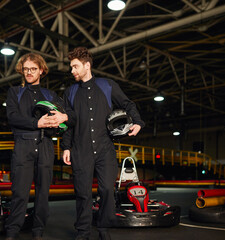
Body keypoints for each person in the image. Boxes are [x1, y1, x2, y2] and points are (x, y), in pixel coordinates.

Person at [61, 47, 145, 240]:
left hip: (105, 149)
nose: (72, 70)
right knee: (82, 193)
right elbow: (67, 123)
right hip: (80, 150)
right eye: (71, 67)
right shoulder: (70, 92)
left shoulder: (107, 86)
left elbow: (128, 104)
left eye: (75, 66)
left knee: (107, 189)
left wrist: (138, 122)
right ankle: (82, 232)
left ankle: (103, 229)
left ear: (87, 65)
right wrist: (66, 147)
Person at [5, 52, 68, 240]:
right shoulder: (14, 92)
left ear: (41, 70)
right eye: (26, 69)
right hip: (23, 145)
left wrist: (57, 124)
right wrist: (36, 123)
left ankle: (38, 231)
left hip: (45, 145)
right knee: (19, 193)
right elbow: (12, 117)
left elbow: (63, 120)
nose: (29, 73)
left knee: (43, 194)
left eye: (33, 69)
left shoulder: (51, 95)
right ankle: (12, 232)